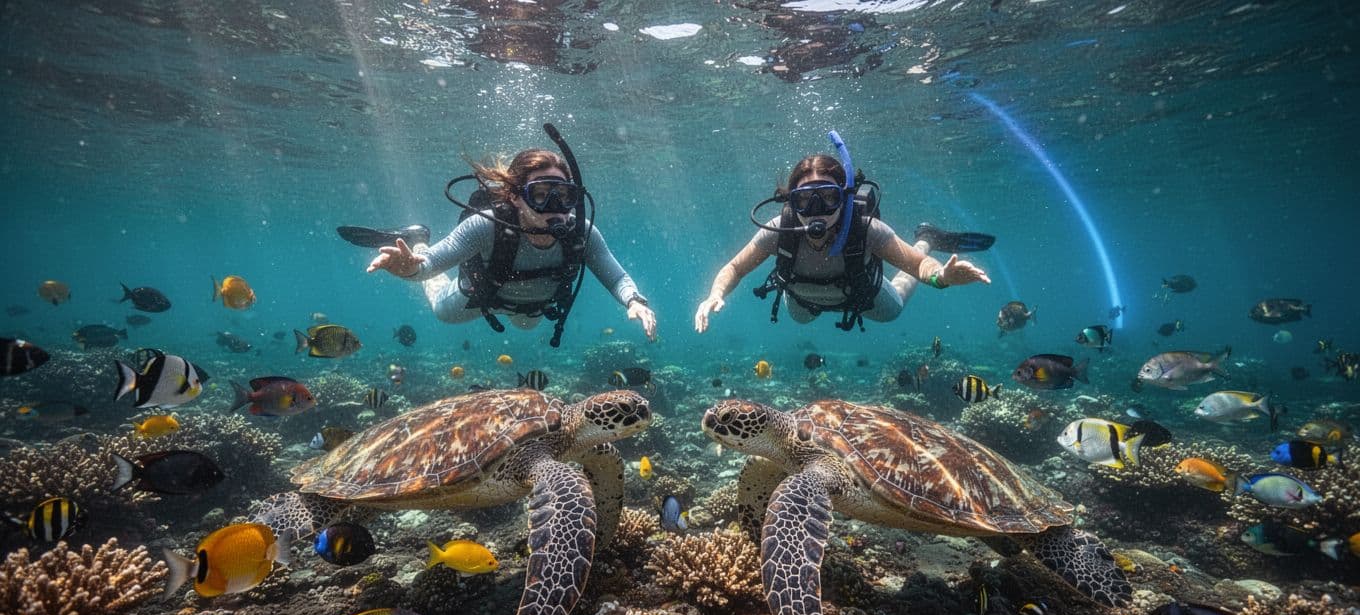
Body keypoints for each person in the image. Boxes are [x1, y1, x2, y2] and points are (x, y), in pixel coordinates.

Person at [362, 142, 657, 346]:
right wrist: (411, 268)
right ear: (515, 196)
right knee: (442, 312)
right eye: (540, 194)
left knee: (526, 326)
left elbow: (616, 276)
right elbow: (430, 266)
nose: (555, 205)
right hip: (484, 297)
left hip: (532, 309)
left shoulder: (583, 233)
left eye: (563, 195)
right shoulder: (485, 225)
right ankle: (418, 241)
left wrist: (635, 300)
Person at [694, 142, 991, 334]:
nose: (815, 211)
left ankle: (926, 237)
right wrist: (715, 294)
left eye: (827, 198)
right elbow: (734, 268)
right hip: (802, 304)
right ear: (791, 203)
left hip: (861, 295)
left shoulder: (867, 229)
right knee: (800, 320)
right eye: (804, 201)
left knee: (895, 308)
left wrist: (942, 277)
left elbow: (918, 266)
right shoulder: (778, 230)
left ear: (845, 200)